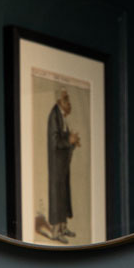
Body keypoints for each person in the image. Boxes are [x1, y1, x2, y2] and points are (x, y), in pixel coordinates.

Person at [46, 89, 80, 241]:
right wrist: (69, 141)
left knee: (64, 193)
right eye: (66, 100)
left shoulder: (62, 116)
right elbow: (55, 142)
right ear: (60, 101)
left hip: (63, 162)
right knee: (57, 195)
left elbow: (63, 136)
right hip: (56, 164)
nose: (69, 104)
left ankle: (63, 227)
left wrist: (72, 140)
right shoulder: (54, 116)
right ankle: (55, 232)